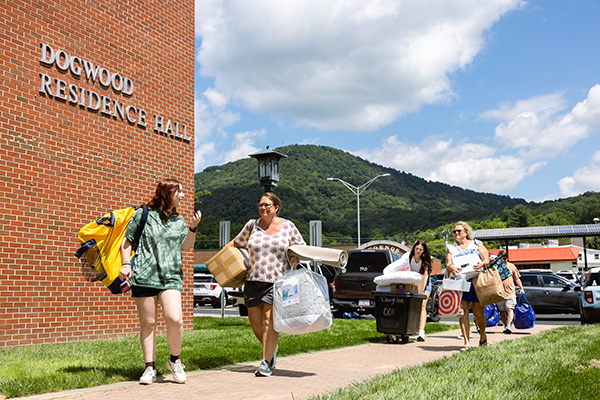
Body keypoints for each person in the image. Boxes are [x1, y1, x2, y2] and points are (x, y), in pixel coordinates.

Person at [119, 179, 202, 385]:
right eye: (179, 191)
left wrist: (192, 228)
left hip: (171, 276)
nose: (182, 195)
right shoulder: (144, 215)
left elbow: (185, 248)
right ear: (167, 193)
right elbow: (127, 240)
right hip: (145, 275)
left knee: (174, 318)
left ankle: (174, 361)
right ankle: (149, 368)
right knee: (148, 323)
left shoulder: (179, 221)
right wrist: (126, 264)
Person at [229, 192, 305, 377]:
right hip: (253, 281)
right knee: (256, 326)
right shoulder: (251, 225)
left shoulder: (288, 226)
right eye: (261, 205)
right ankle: (271, 351)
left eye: (267, 205)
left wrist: (294, 257)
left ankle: (265, 362)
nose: (263, 208)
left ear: (276, 207)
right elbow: (235, 243)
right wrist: (223, 260)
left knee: (268, 321)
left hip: (278, 282)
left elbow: (301, 247)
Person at [446, 221, 490, 350]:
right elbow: (448, 263)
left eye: (459, 231)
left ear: (466, 232)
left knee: (478, 314)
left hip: (476, 281)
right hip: (460, 282)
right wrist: (451, 266)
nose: (456, 233)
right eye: (454, 231)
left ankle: (482, 335)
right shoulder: (451, 247)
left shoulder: (476, 243)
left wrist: (482, 264)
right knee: (463, 312)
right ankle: (466, 342)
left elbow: (487, 258)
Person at [409, 240, 433, 342]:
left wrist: (422, 289)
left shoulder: (425, 260)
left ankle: (421, 332)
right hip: (413, 282)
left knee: (422, 305)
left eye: (420, 250)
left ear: (423, 251)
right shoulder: (409, 258)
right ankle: (410, 329)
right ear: (414, 249)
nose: (418, 251)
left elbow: (426, 276)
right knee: (411, 305)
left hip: (425, 283)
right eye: (417, 249)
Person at [495, 250, 524, 334]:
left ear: (507, 258)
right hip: (499, 293)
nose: (502, 261)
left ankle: (509, 326)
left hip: (510, 292)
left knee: (509, 308)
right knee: (502, 311)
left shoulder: (511, 266)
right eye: (500, 259)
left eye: (504, 258)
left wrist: (521, 288)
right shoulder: (495, 267)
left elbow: (517, 278)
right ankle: (505, 325)